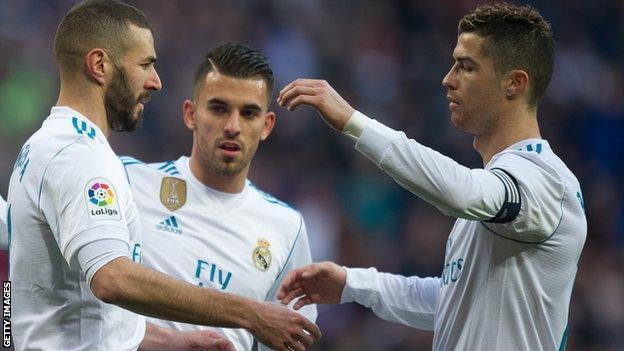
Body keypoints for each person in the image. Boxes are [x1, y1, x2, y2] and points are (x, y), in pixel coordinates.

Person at [6, 1, 320, 350]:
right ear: (99, 66)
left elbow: (84, 310)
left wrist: (172, 341)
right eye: (145, 65)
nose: (155, 82)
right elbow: (111, 279)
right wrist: (249, 313)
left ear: (267, 124)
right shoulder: (83, 159)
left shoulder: (49, 146)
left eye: (249, 113)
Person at [276, 3, 586, 351]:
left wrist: (353, 122)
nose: (448, 79)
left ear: (514, 83)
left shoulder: (546, 180)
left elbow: (465, 193)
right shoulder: (494, 193)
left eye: (466, 67)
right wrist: (352, 283)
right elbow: (453, 300)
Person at [120, 43, 317, 351]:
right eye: (219, 108)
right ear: (191, 114)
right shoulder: (127, 181)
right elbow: (79, 302)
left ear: (266, 126)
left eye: (249, 113)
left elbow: (291, 342)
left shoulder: (287, 227)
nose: (232, 126)